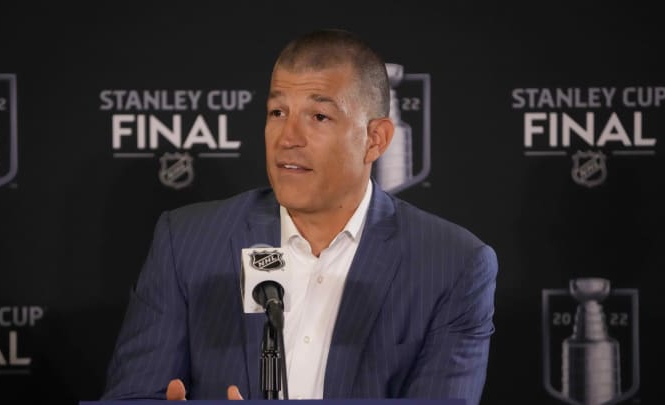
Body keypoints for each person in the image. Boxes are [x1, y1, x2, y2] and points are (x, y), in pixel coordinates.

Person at [101, 28, 497, 404]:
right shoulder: (187, 242)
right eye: (277, 112)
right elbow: (135, 394)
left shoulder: (452, 265)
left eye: (319, 117)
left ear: (375, 139)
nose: (288, 137)